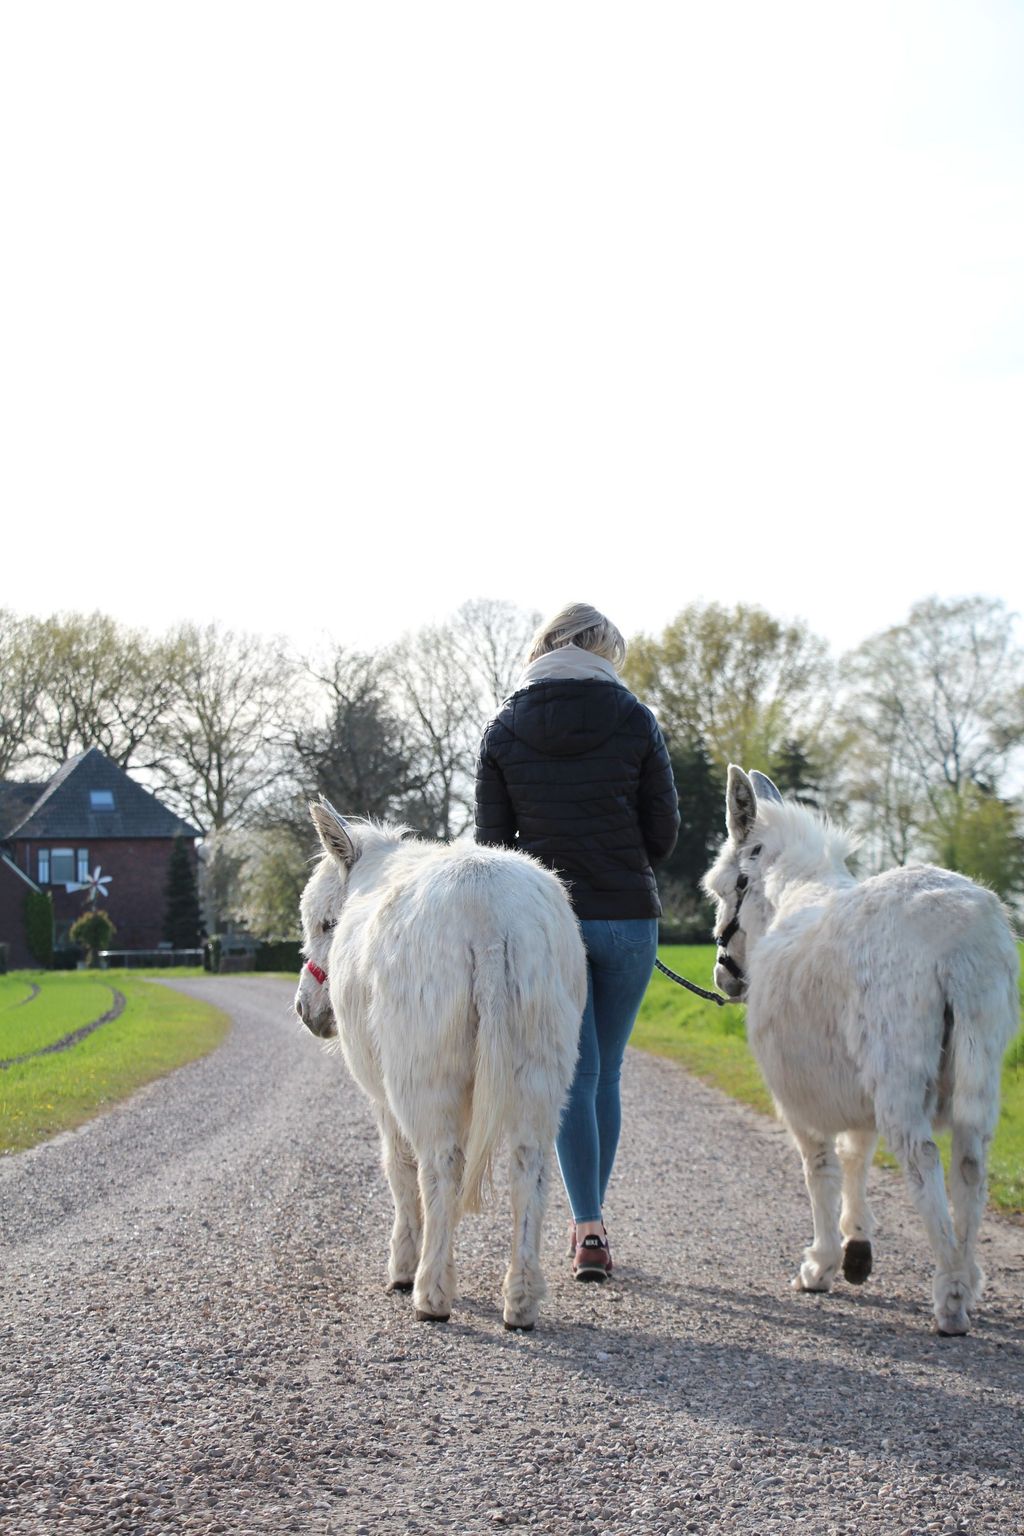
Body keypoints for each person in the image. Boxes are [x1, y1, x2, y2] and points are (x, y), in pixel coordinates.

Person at [474, 602, 679, 1281]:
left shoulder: (504, 726)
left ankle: (587, 1225)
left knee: (572, 1074)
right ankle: (591, 1223)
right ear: (598, 650)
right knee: (605, 1073)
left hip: (545, 924)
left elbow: (494, 850)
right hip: (626, 916)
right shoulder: (636, 719)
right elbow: (663, 835)